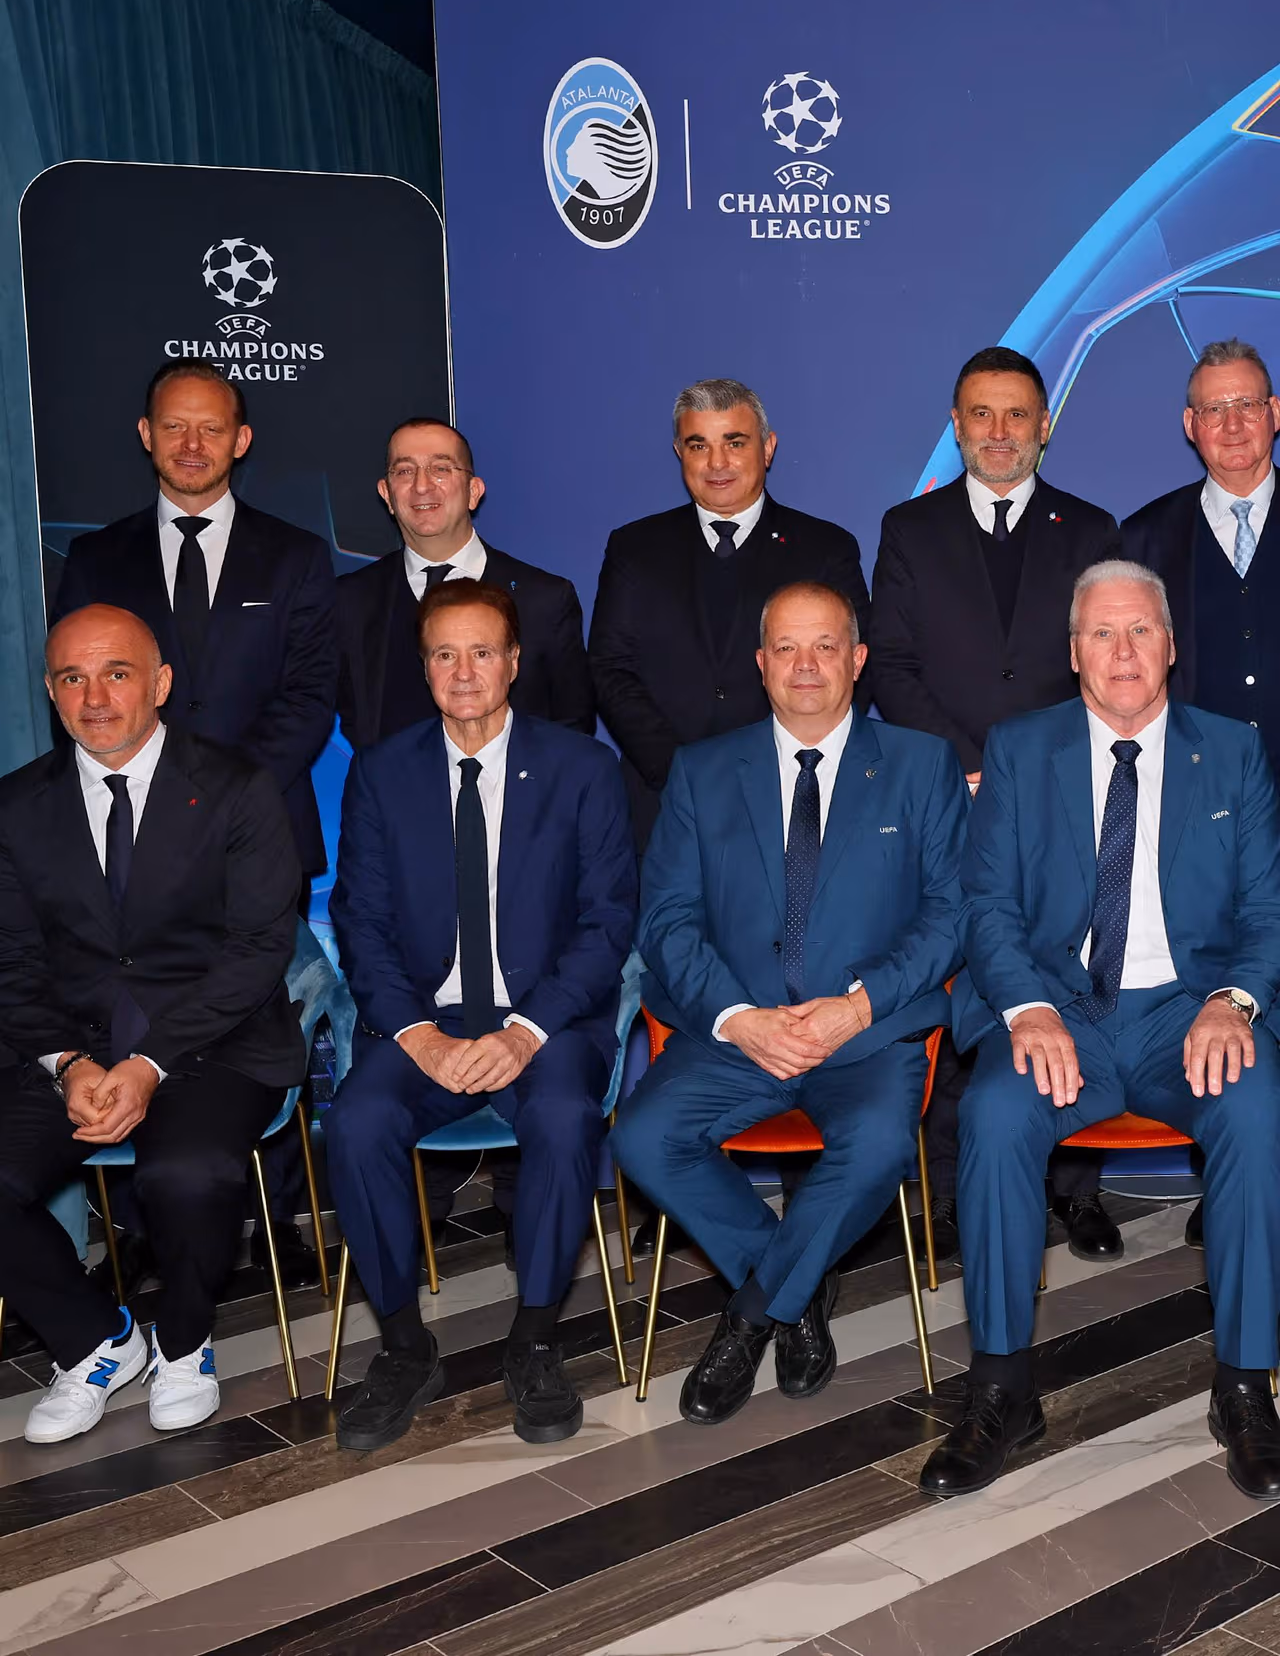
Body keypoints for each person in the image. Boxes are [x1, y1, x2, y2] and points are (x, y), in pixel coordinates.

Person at [920, 560, 1280, 1501]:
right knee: (995, 1117)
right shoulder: (1018, 749)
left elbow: (1269, 907)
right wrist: (1028, 1006)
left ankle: (1245, 1384)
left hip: (1183, 1012)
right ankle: (1001, 1387)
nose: (1123, 652)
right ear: (1073, 652)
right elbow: (987, 905)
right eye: (1102, 635)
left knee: (1257, 1106)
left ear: (1170, 644)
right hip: (1059, 1011)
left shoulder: (1231, 750)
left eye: (1141, 632)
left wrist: (1235, 1000)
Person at [612, 582, 967, 1426]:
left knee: (881, 1139)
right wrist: (739, 1018)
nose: (806, 666)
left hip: (867, 1034)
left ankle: (751, 1313)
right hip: (737, 1034)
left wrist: (859, 1004)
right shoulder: (703, 770)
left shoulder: (921, 763)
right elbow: (667, 918)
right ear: (762, 662)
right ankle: (797, 1290)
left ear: (858, 659)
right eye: (787, 648)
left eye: (826, 646)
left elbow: (953, 912)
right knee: (643, 1136)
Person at [326, 580, 636, 1452]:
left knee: (567, 1115)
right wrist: (416, 1035)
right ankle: (402, 1346)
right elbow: (363, 921)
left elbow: (609, 920)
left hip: (542, 1021)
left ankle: (534, 1341)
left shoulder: (582, 768)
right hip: (422, 1022)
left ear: (514, 662)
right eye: (442, 654)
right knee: (356, 1124)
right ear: (423, 667)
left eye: (481, 652)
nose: (463, 672)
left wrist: (524, 1031)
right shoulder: (384, 772)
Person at [51, 357, 335, 1289]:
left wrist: (221, 808)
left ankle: (282, 1211)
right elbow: (89, 704)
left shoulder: (293, 555)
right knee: (129, 1004)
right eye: (174, 426)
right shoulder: (98, 559)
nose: (192, 443)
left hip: (261, 831)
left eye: (211, 427)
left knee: (266, 1009)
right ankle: (137, 1222)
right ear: (146, 435)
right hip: (124, 840)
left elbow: (308, 699)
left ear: (241, 440)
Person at [0, 605, 303, 1442]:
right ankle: (95, 1341)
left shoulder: (237, 786)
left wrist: (149, 1061)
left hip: (214, 1038)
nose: (95, 696)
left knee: (188, 1174)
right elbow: (12, 963)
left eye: (117, 672)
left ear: (161, 683)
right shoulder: (16, 807)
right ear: (54, 694)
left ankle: (184, 1342)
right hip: (73, 1045)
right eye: (72, 677)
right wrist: (68, 1062)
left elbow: (257, 949)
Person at [871, 346, 1121, 1266]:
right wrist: (971, 766)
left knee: (1068, 976)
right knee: (952, 985)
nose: (1002, 432)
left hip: (1063, 799)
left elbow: (1109, 667)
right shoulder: (909, 529)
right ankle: (943, 1194)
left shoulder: (1093, 527)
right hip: (945, 797)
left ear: (1045, 426)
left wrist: (1027, 769)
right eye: (983, 414)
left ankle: (1075, 1190)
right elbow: (888, 664)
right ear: (957, 423)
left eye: (1019, 415)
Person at [1122, 338, 1280, 1249]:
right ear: (1189, 427)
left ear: (1273, 413)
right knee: (1229, 992)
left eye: (1246, 404)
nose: (1230, 423)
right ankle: (1234, 1190)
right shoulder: (1145, 538)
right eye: (1212, 409)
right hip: (1201, 827)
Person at [589, 378, 871, 851]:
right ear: (680, 452)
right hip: (664, 800)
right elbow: (610, 669)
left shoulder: (825, 548)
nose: (716, 463)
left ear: (768, 448)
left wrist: (786, 767)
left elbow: (854, 667)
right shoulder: (634, 548)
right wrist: (682, 774)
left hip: (793, 796)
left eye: (734, 443)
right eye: (699, 445)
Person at [336, 417, 593, 749]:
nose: (422, 485)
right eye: (404, 471)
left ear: (474, 492)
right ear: (386, 494)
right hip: (392, 797)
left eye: (441, 469)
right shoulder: (350, 600)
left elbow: (572, 724)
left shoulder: (544, 599)